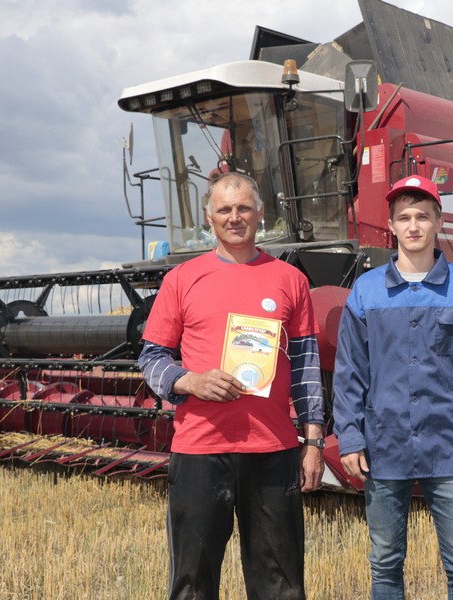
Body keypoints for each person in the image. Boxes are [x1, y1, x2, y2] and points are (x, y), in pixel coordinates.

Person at [138, 171, 325, 600]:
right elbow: (151, 357)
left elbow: (306, 368)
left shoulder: (290, 280)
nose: (234, 217)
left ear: (260, 213)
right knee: (192, 583)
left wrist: (313, 441)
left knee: (280, 585)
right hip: (200, 450)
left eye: (243, 208)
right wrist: (189, 380)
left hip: (272, 450)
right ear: (209, 217)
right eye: (224, 209)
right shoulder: (182, 278)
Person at [333, 175, 453, 599]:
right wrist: (350, 436)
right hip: (384, 449)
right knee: (385, 564)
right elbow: (350, 372)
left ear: (438, 222)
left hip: (450, 447)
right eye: (404, 218)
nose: (413, 226)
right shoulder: (366, 292)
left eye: (422, 217)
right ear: (391, 226)